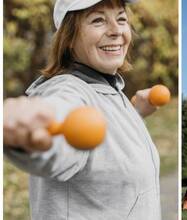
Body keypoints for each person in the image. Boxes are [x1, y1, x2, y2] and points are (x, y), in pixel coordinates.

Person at [4, 0, 163, 219]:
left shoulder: (107, 88)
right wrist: (32, 132)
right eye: (98, 20)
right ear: (68, 38)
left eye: (121, 19)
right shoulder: (67, 92)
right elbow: (60, 126)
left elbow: (105, 150)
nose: (116, 30)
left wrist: (134, 113)